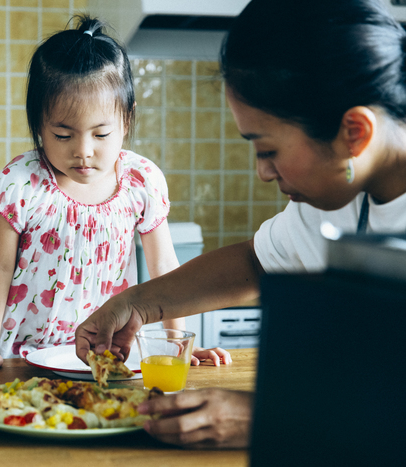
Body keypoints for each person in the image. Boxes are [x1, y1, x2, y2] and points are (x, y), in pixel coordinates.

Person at [75, 0, 406, 448]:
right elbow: (257, 260)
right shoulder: (339, 195)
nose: (263, 173)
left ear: (355, 133)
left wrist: (269, 419)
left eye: (267, 150)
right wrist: (138, 303)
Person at [0, 16, 230, 374]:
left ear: (126, 122)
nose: (83, 151)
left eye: (100, 135)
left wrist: (180, 344)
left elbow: (164, 269)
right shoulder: (21, 182)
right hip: (24, 357)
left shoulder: (141, 180)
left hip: (108, 355)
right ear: (39, 126)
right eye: (64, 136)